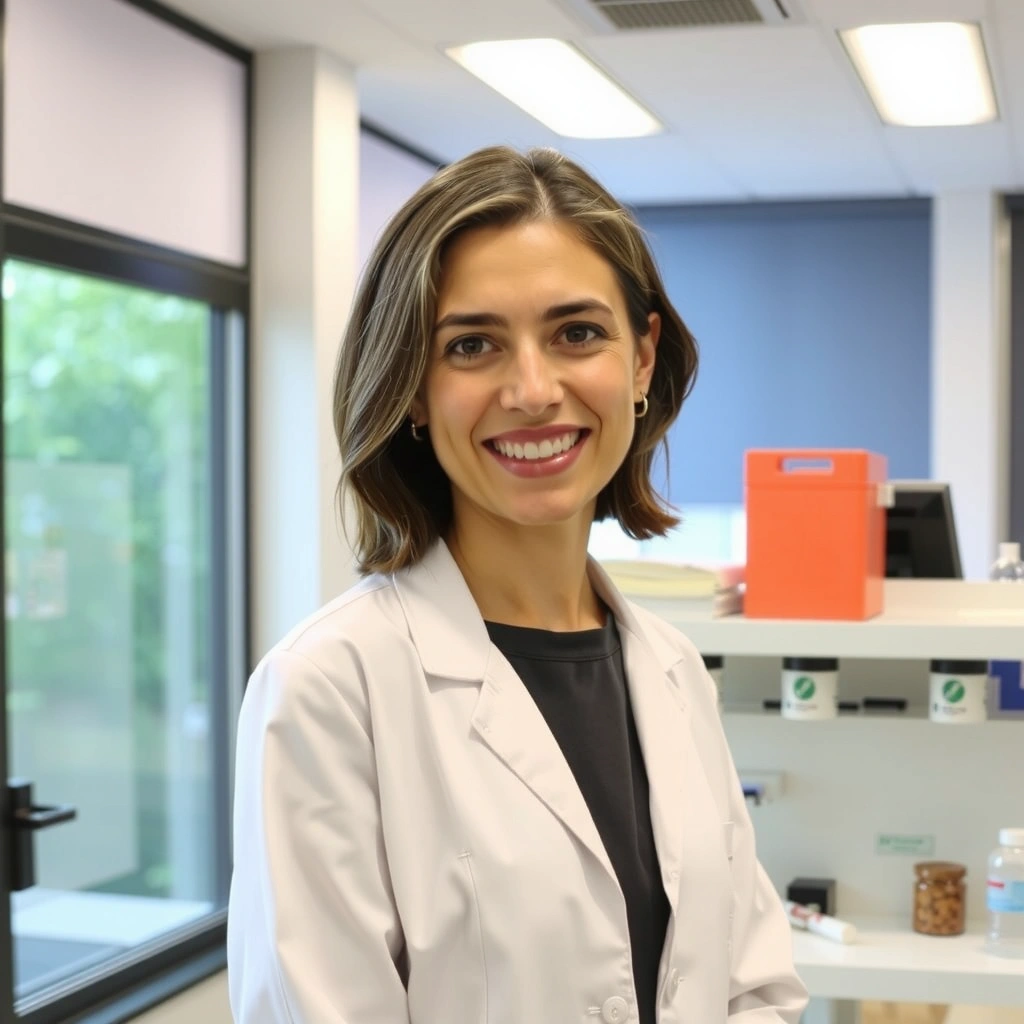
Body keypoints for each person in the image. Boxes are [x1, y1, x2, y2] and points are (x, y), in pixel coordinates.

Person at [227, 145, 808, 1024]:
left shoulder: (673, 670)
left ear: (643, 359)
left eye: (577, 333)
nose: (534, 390)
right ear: (414, 390)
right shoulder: (329, 690)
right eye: (472, 345)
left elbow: (753, 982)